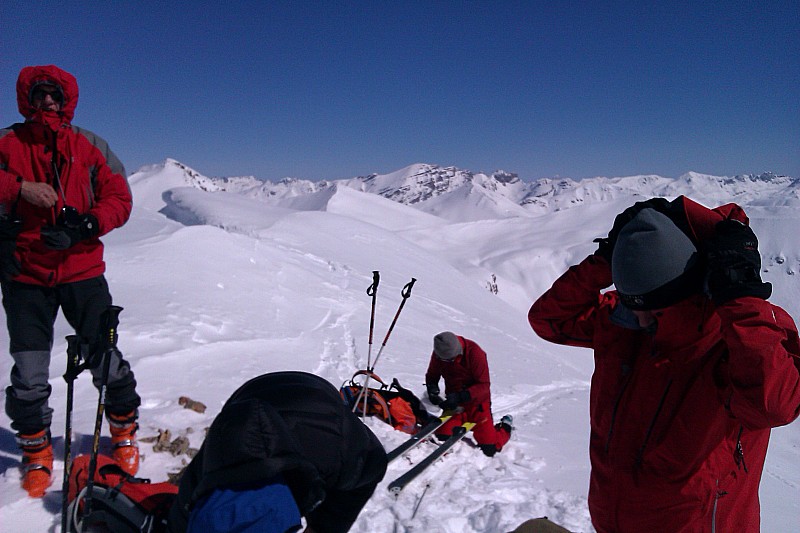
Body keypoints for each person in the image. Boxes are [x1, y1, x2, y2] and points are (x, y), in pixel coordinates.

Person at [528, 196, 800, 532]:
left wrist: (741, 295)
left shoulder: (734, 338)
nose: (641, 321)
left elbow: (776, 404)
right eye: (633, 307)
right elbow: (549, 319)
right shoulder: (623, 322)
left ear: (681, 292)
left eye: (654, 311)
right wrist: (607, 258)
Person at [0, 65, 141, 498]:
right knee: (29, 370)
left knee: (104, 355)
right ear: (27, 99)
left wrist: (87, 225)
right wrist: (19, 188)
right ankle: (36, 451)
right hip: (24, 273)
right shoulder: (7, 144)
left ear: (66, 100)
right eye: (40, 94)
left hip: (82, 271)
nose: (48, 102)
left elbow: (119, 198)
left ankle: (123, 431)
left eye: (54, 95)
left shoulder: (89, 146)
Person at [167, 371, 388, 533]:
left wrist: (323, 528)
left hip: (314, 398)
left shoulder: (336, 452)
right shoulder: (198, 487)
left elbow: (374, 461)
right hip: (248, 400)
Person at [425, 331, 513, 457]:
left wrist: (461, 396)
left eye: (450, 359)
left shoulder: (475, 353)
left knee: (489, 448)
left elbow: (484, 385)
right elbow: (432, 375)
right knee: (442, 437)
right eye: (443, 359)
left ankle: (505, 426)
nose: (446, 362)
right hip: (455, 406)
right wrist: (432, 390)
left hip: (477, 404)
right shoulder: (440, 352)